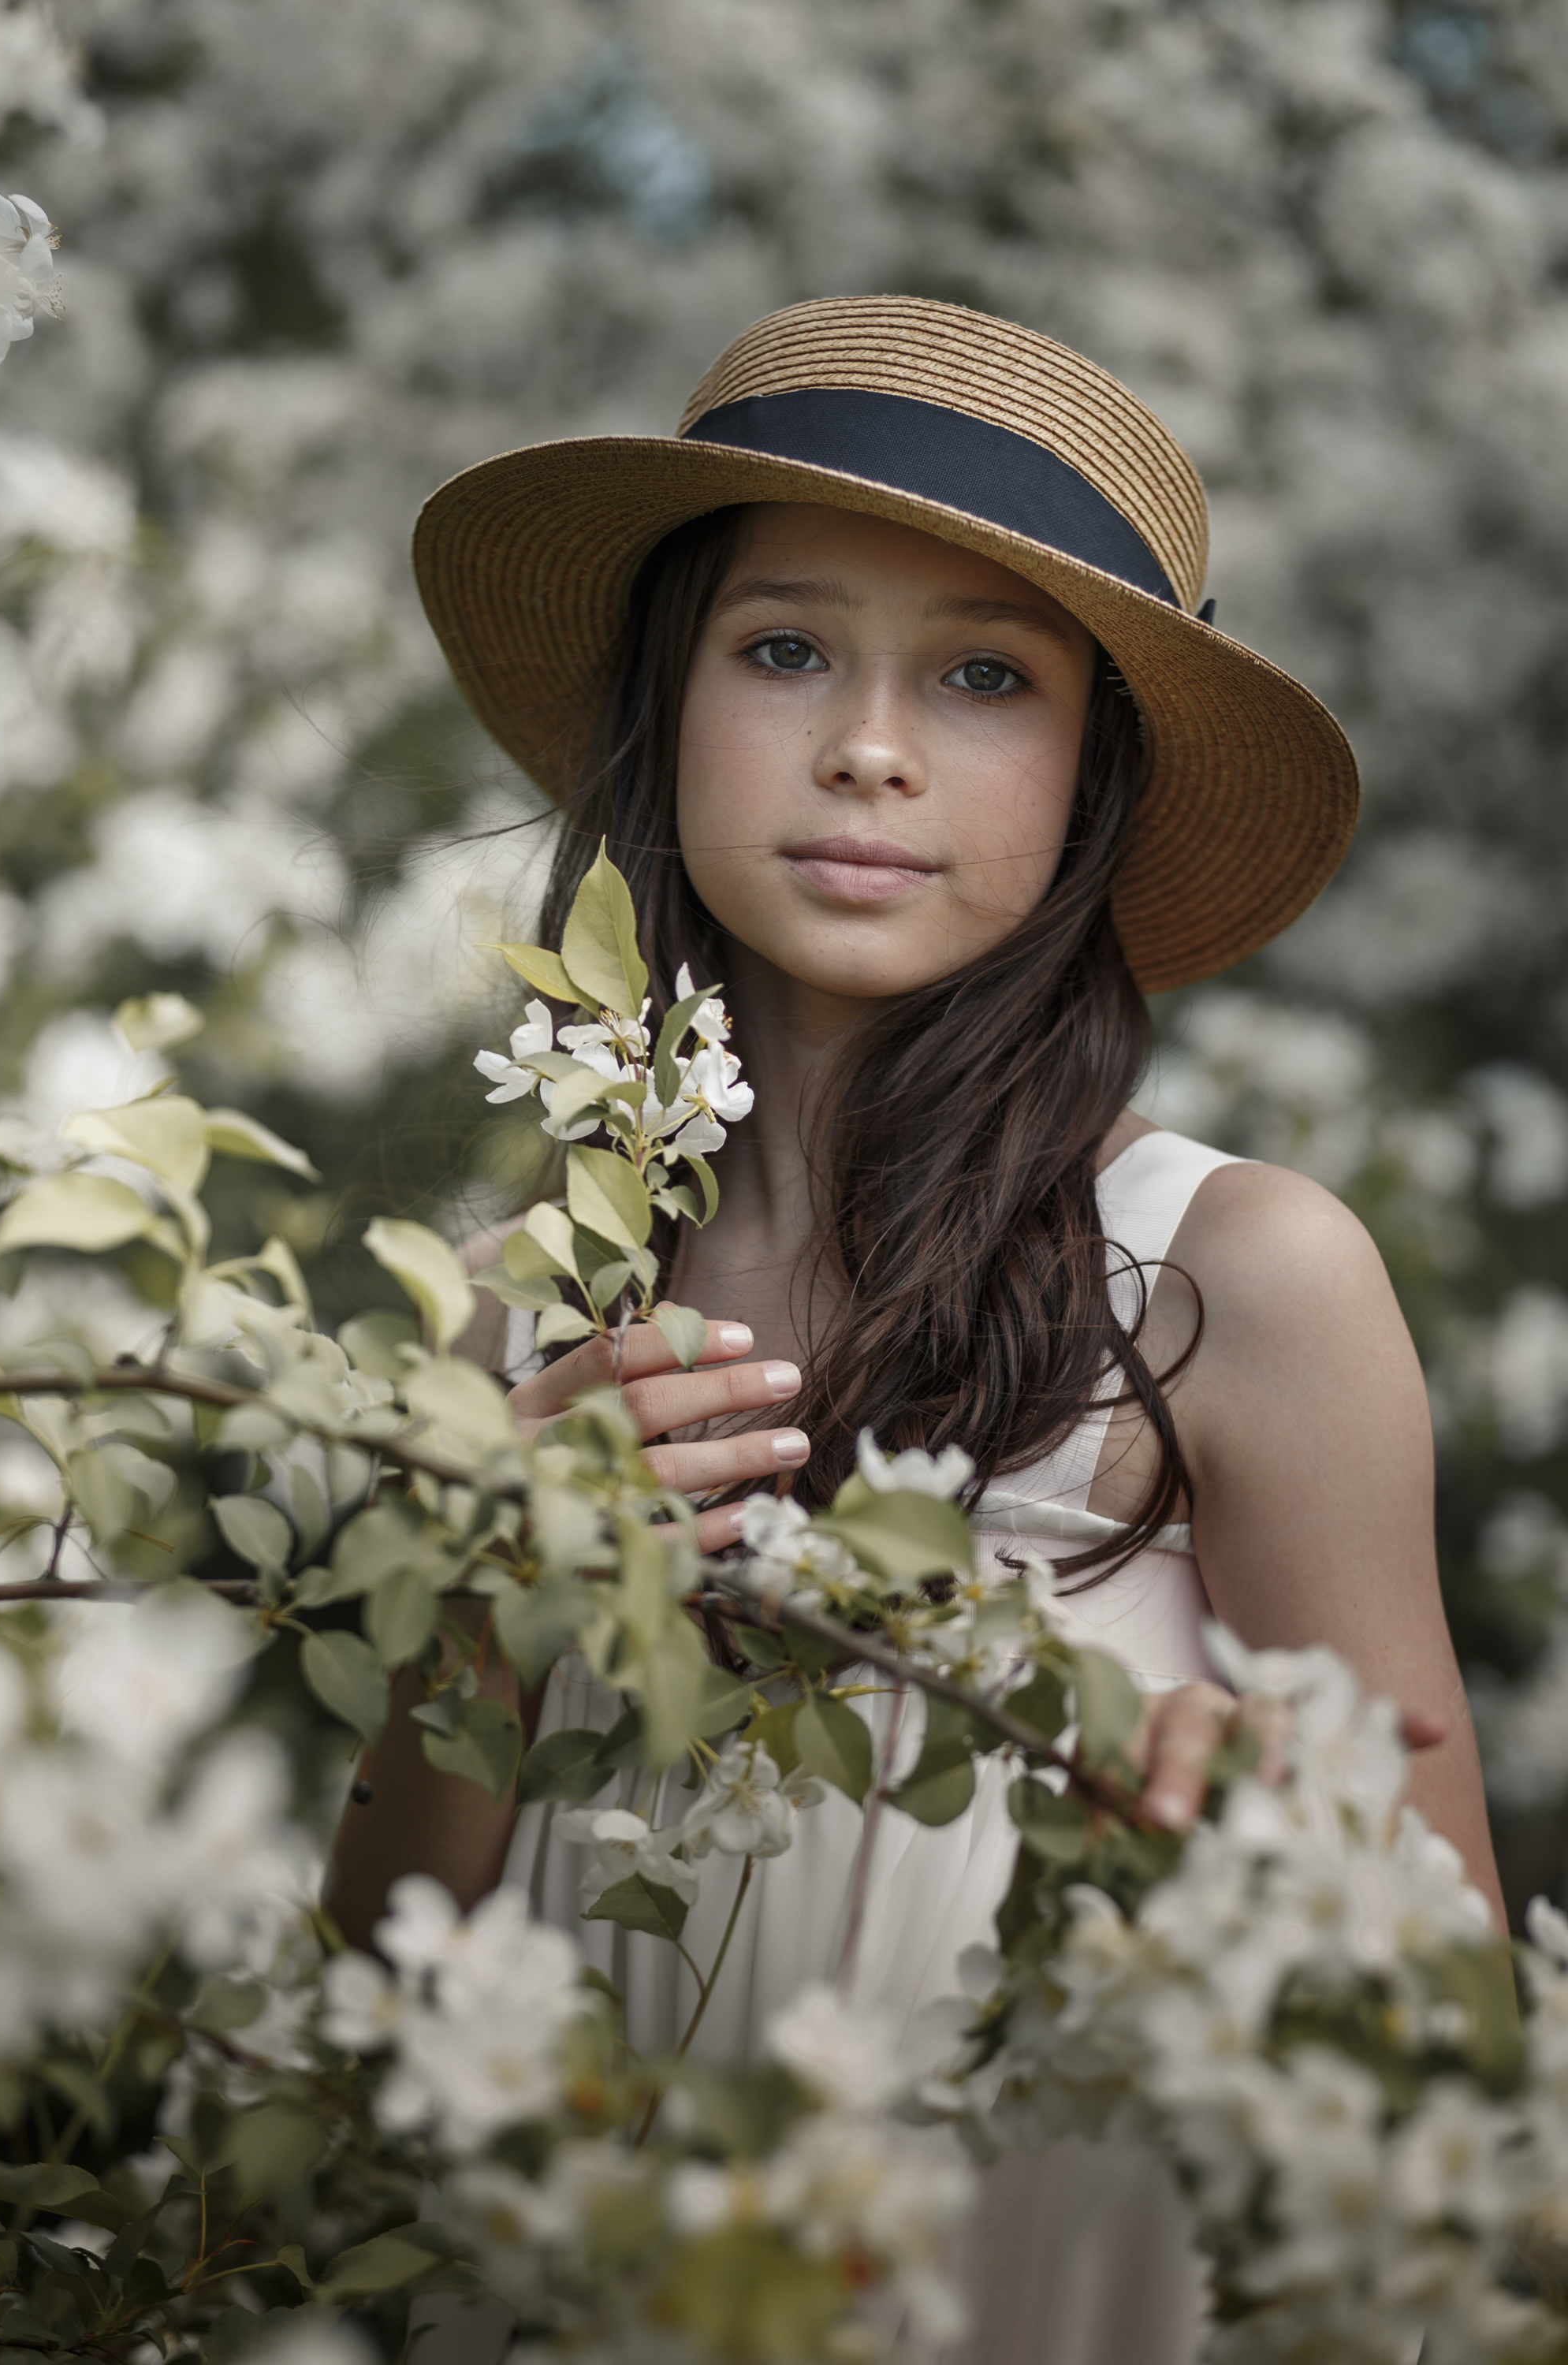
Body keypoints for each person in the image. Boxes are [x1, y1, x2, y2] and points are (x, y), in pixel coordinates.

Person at [326, 297, 1503, 2362]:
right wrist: (478, 1616)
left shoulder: (1230, 1273)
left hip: (1041, 2273)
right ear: (666, 703)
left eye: (983, 676)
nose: (869, 745)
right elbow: (371, 1999)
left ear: (1095, 773)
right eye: (784, 651)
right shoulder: (548, 1298)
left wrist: (1266, 1835)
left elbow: (1463, 2024)